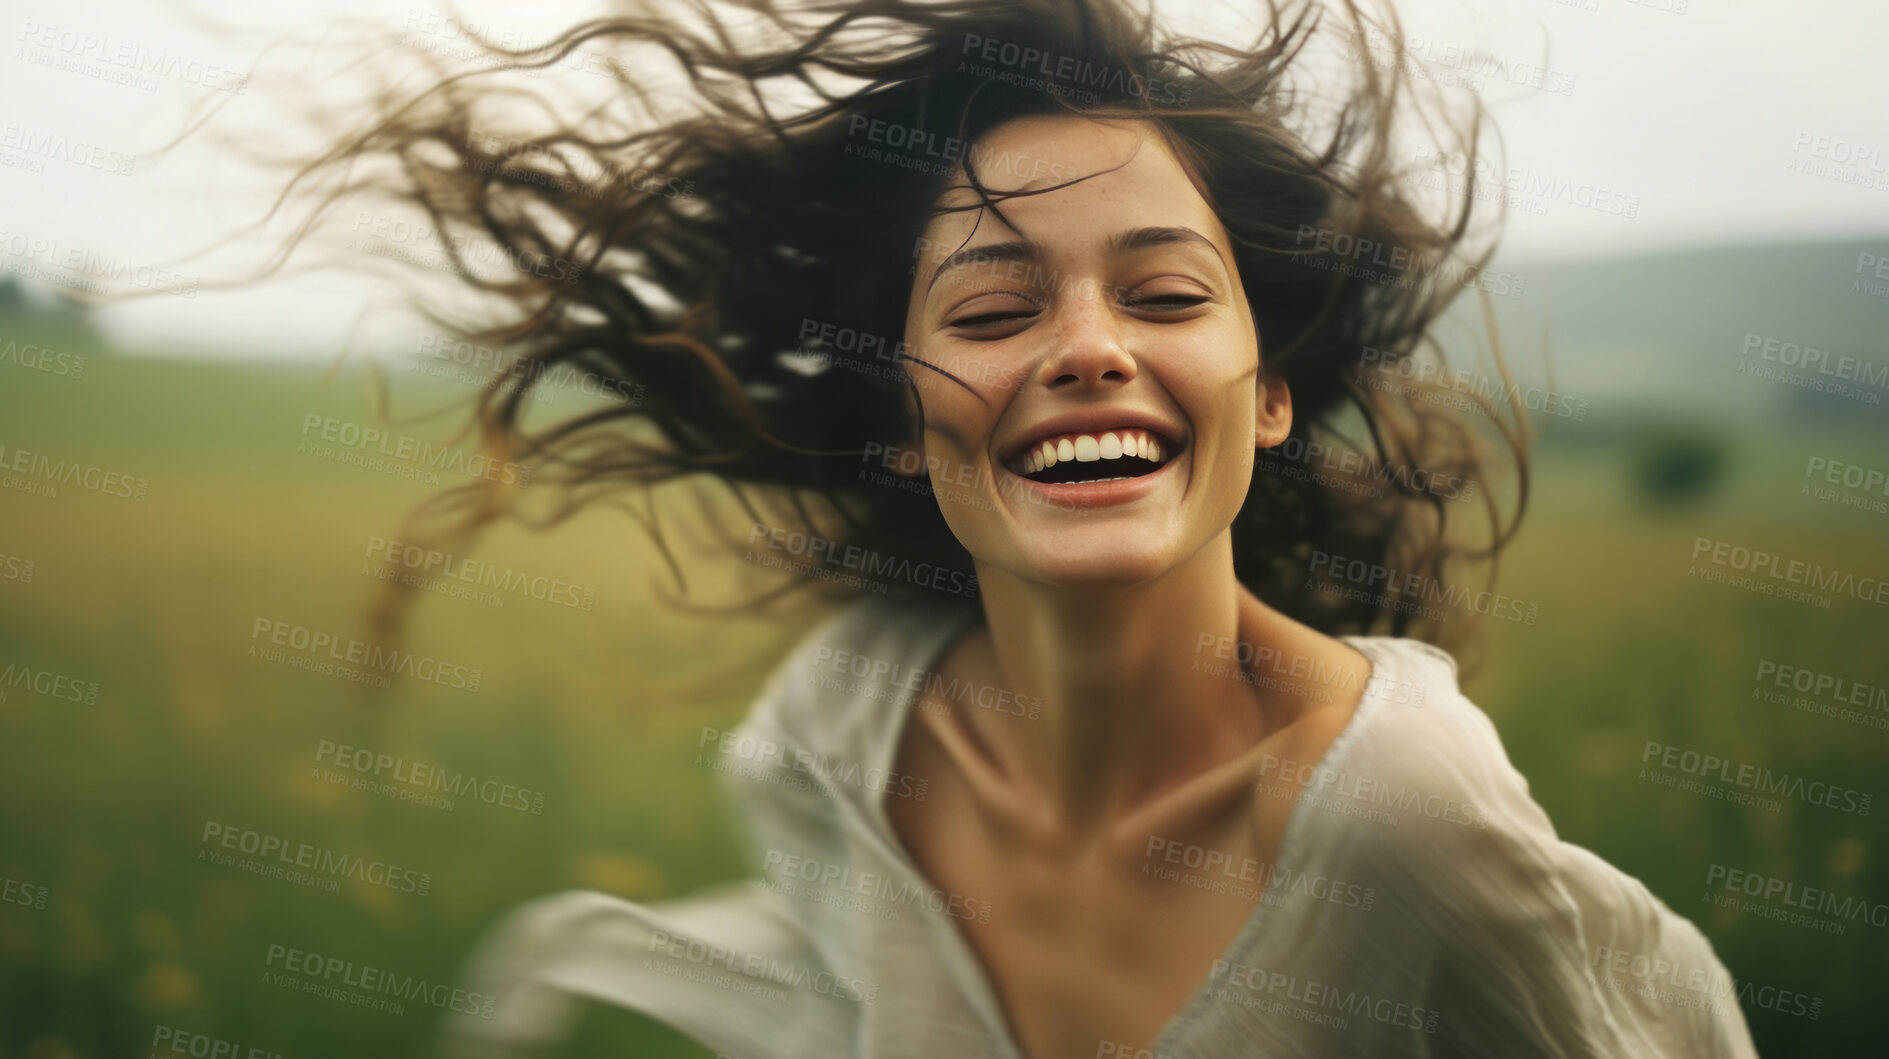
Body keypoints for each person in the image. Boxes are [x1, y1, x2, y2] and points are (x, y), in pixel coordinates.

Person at [267, 0, 1756, 1054]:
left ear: (1277, 393)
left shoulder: (1396, 820)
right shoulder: (834, 733)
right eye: (991, 308)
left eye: (1167, 294)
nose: (1087, 346)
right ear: (906, 428)